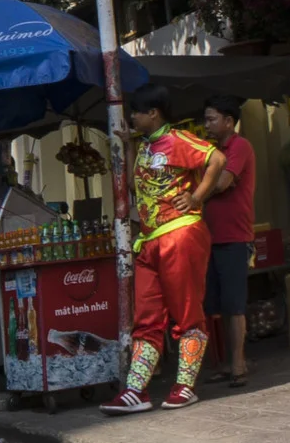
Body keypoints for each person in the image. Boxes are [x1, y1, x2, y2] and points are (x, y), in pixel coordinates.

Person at [105, 85, 230, 415]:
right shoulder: (145, 146)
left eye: (136, 112)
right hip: (150, 240)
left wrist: (197, 197)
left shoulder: (178, 139)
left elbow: (217, 159)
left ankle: (185, 386)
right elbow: (133, 186)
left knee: (187, 314)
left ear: (153, 113)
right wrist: (129, 146)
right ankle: (136, 391)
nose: (132, 117)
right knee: (146, 318)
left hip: (180, 233)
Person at [202, 94, 258, 388]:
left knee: (234, 305)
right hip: (211, 238)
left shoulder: (240, 146)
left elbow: (223, 182)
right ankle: (228, 362)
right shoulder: (214, 151)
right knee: (220, 304)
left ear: (228, 121)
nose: (207, 125)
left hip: (234, 236)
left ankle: (238, 363)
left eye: (211, 119)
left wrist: (198, 193)